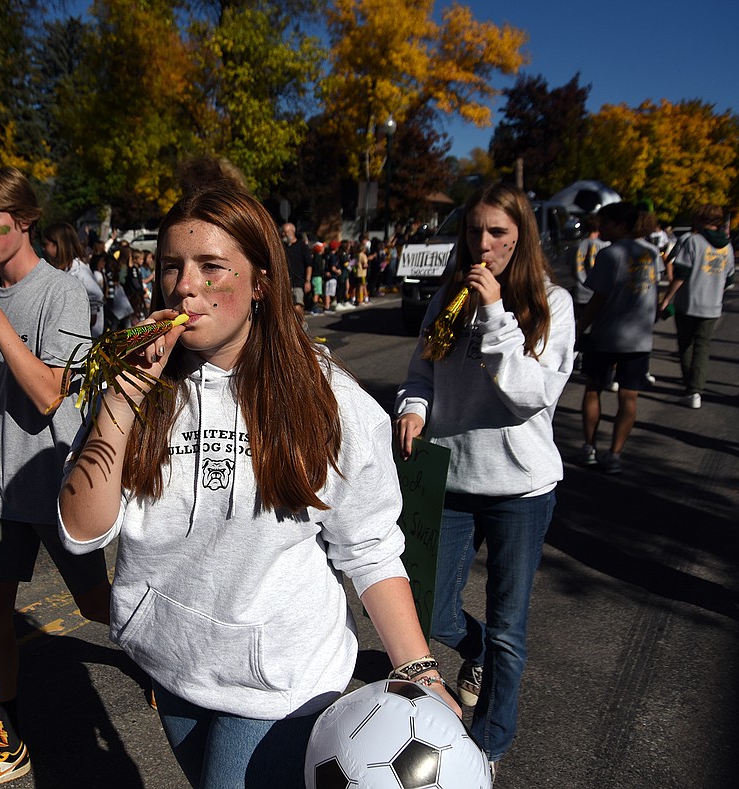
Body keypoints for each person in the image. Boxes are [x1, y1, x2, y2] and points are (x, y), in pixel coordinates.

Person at [59, 181, 457, 789]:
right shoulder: (135, 385)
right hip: (172, 662)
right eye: (171, 266)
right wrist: (125, 398)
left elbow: (370, 545)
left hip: (284, 682)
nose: (184, 286)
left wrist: (421, 672)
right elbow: (82, 530)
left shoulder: (323, 397)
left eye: (211, 267)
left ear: (260, 283)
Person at [394, 182, 574, 771]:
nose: (483, 243)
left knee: (508, 628)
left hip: (521, 487)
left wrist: (496, 313)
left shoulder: (551, 303)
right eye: (474, 231)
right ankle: (478, 658)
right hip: (450, 480)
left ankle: (489, 742)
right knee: (430, 613)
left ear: (521, 236)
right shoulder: (448, 298)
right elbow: (421, 372)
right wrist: (414, 409)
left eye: (497, 232)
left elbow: (531, 395)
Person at [0, 167, 110, 789]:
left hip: (55, 479)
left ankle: (162, 661)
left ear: (25, 221)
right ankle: (3, 742)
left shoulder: (59, 292)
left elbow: (48, 394)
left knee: (95, 604)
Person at [578, 202, 658, 474]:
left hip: (607, 335)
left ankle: (589, 447)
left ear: (621, 225)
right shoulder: (651, 252)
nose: (600, 228)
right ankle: (615, 454)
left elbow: (597, 297)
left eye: (606, 223)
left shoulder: (610, 254)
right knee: (629, 396)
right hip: (639, 337)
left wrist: (579, 329)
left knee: (593, 389)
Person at [658, 205, 735, 409]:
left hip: (689, 302)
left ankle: (690, 387)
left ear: (699, 220)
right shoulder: (727, 246)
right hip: (712, 305)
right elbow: (729, 278)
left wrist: (666, 299)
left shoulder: (693, 241)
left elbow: (681, 275)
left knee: (686, 345)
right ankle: (697, 390)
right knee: (703, 346)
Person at [42, 222, 105, 337]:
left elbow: (96, 296)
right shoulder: (66, 270)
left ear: (58, 245)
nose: (43, 248)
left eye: (45, 244)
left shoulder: (80, 272)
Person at [282, 222, 310, 321]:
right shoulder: (282, 247)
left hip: (298, 281)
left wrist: (307, 281)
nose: (283, 234)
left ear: (292, 232)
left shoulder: (302, 246)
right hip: (285, 282)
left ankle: (301, 327)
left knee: (298, 306)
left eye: (285, 232)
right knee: (286, 308)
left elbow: (309, 265)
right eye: (283, 232)